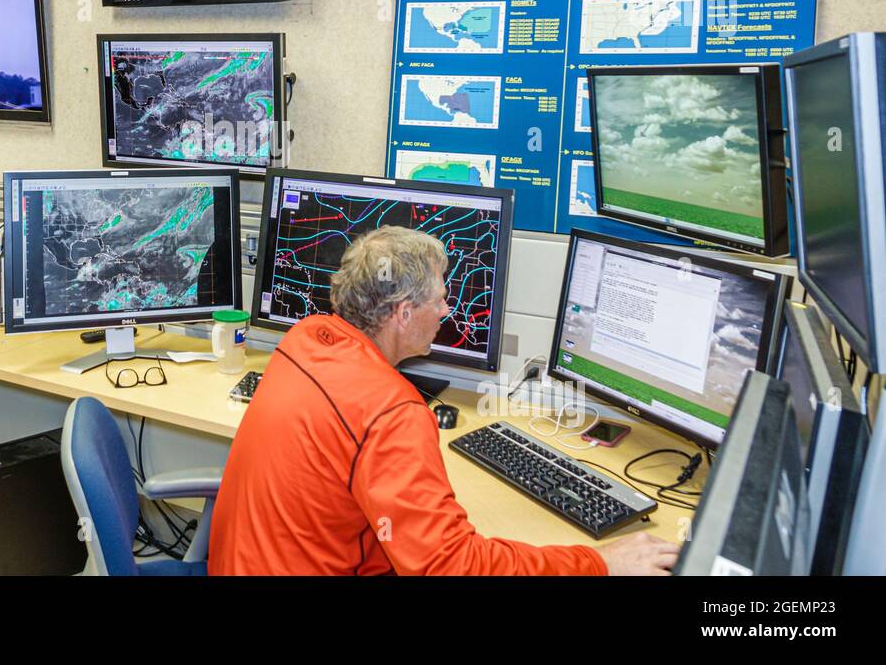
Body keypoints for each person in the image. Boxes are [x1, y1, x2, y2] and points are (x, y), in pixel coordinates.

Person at [209, 225, 680, 576]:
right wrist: (598, 564)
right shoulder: (390, 414)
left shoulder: (307, 338)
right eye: (440, 298)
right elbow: (449, 566)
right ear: (404, 312)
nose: (447, 310)